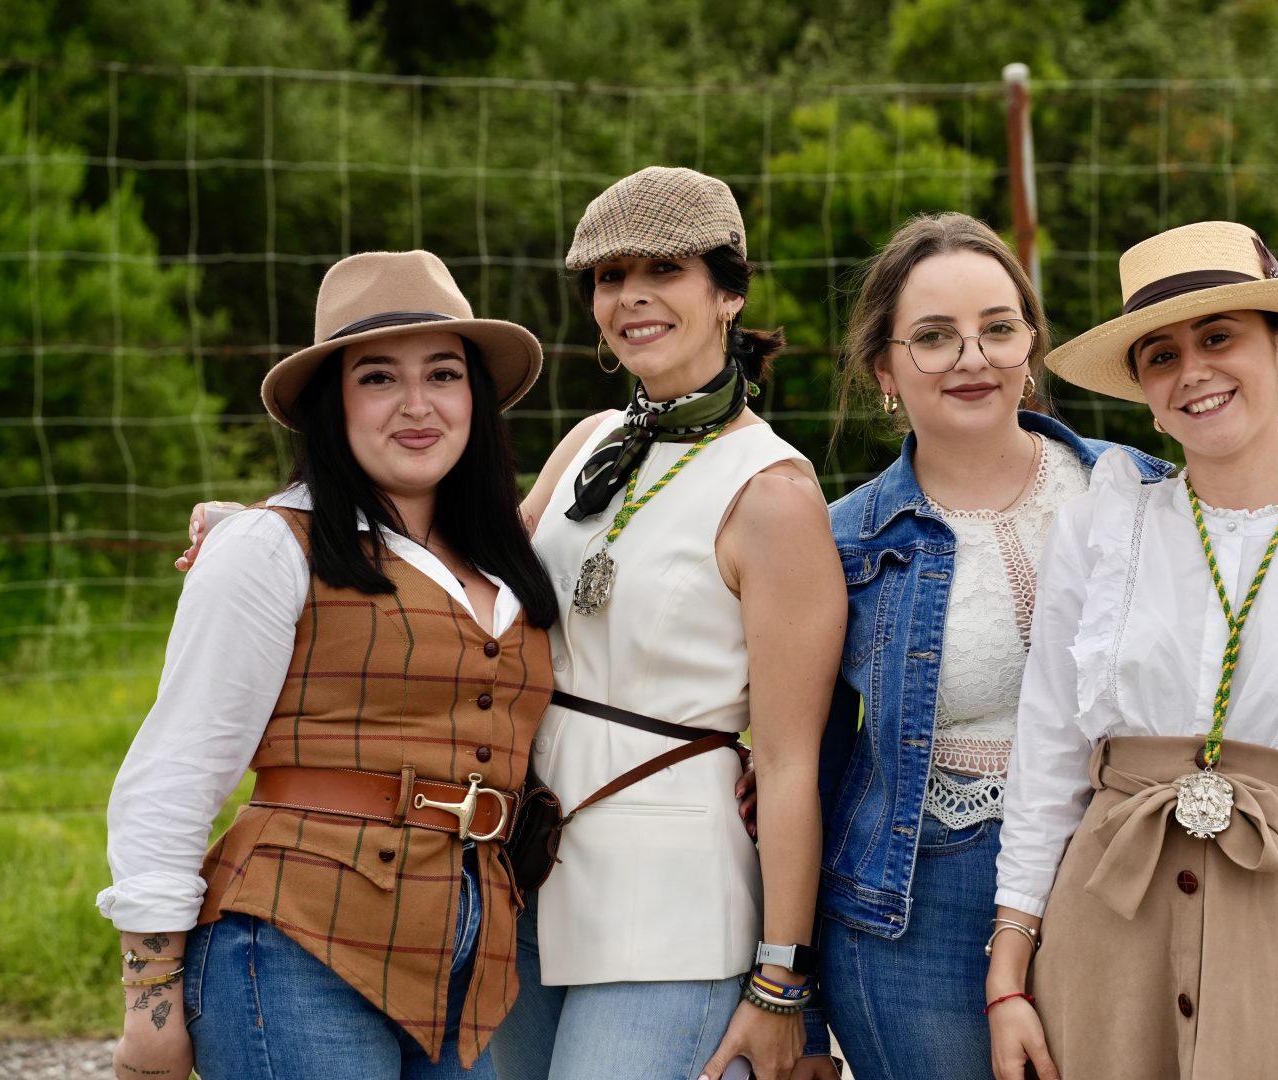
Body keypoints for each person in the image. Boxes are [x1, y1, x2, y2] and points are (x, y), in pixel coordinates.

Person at [986, 221, 1278, 1080]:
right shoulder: (1099, 535)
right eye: (1161, 356)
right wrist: (1008, 978)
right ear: (1144, 391)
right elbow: (1047, 758)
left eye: (1217, 338)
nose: (1192, 372)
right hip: (1105, 939)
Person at [99, 249, 560, 1079]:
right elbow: (176, 771)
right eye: (378, 378)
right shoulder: (268, 546)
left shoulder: (507, 559)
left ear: (476, 397)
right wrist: (149, 1002)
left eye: (444, 374)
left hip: (467, 964)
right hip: (291, 950)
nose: (417, 405)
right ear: (330, 403)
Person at [790, 212, 1171, 1080]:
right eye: (933, 338)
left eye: (998, 329)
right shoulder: (842, 540)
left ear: (1031, 347)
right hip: (918, 912)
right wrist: (798, 1006)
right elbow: (807, 772)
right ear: (884, 369)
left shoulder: (1135, 492)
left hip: (1124, 875)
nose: (973, 358)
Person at [486, 166, 846, 1080]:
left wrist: (781, 983)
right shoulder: (587, 443)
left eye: (665, 270)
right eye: (611, 277)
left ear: (729, 293)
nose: (632, 297)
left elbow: (790, 762)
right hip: (525, 869)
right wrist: (282, 526)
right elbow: (463, 579)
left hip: (672, 902)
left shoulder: (773, 493)